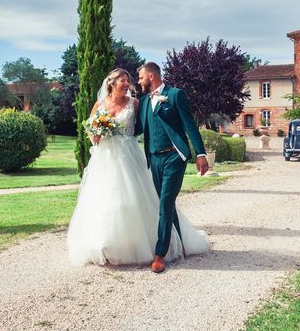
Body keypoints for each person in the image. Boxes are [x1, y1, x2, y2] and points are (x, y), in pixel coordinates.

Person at [67, 68, 208, 267]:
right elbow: (91, 129)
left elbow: (147, 126)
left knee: (154, 201)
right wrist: (96, 134)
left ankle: (163, 250)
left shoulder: (136, 103)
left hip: (133, 157)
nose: (128, 83)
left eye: (131, 80)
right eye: (122, 80)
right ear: (111, 83)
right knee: (105, 202)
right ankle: (106, 245)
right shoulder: (103, 104)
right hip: (106, 159)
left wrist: (199, 153)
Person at [135, 62, 209, 273]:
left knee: (166, 202)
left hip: (174, 157)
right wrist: (109, 128)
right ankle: (180, 244)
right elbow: (137, 130)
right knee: (166, 204)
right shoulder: (143, 101)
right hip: (154, 159)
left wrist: (200, 154)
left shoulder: (175, 95)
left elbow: (189, 125)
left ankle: (160, 254)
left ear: (151, 76)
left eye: (140, 78)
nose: (139, 82)